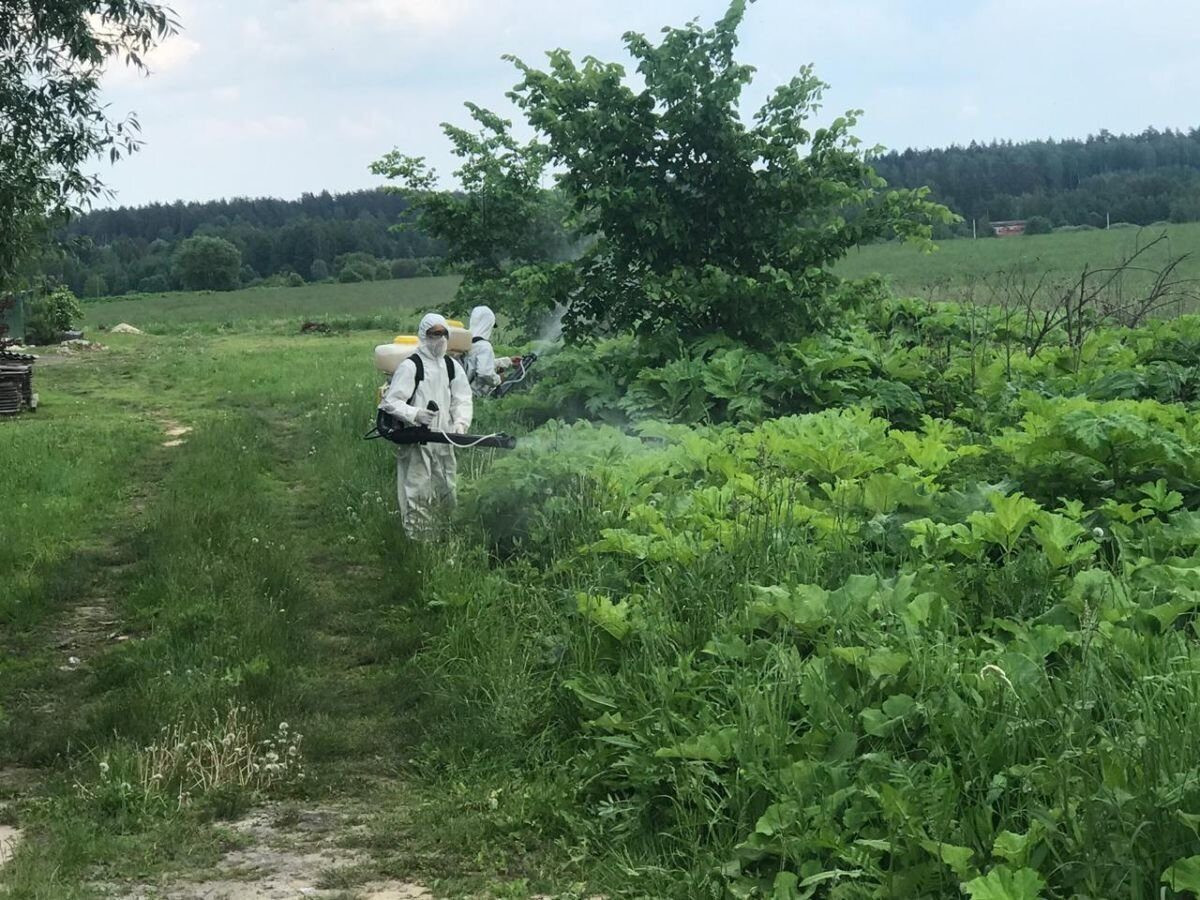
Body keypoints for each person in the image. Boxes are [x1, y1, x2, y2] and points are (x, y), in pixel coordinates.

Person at [378, 313, 473, 540]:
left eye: (443, 334)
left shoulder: (451, 366)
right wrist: (416, 414)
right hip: (417, 441)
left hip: (444, 439)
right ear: (424, 335)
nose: (439, 339)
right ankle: (419, 542)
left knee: (447, 490)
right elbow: (390, 402)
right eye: (434, 334)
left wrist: (460, 423)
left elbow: (463, 398)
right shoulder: (411, 366)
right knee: (418, 491)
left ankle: (445, 537)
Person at [463, 305, 514, 396]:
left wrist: (507, 361)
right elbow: (484, 373)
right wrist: (498, 380)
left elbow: (472, 365)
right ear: (488, 324)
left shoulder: (463, 341)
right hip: (471, 396)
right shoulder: (484, 346)